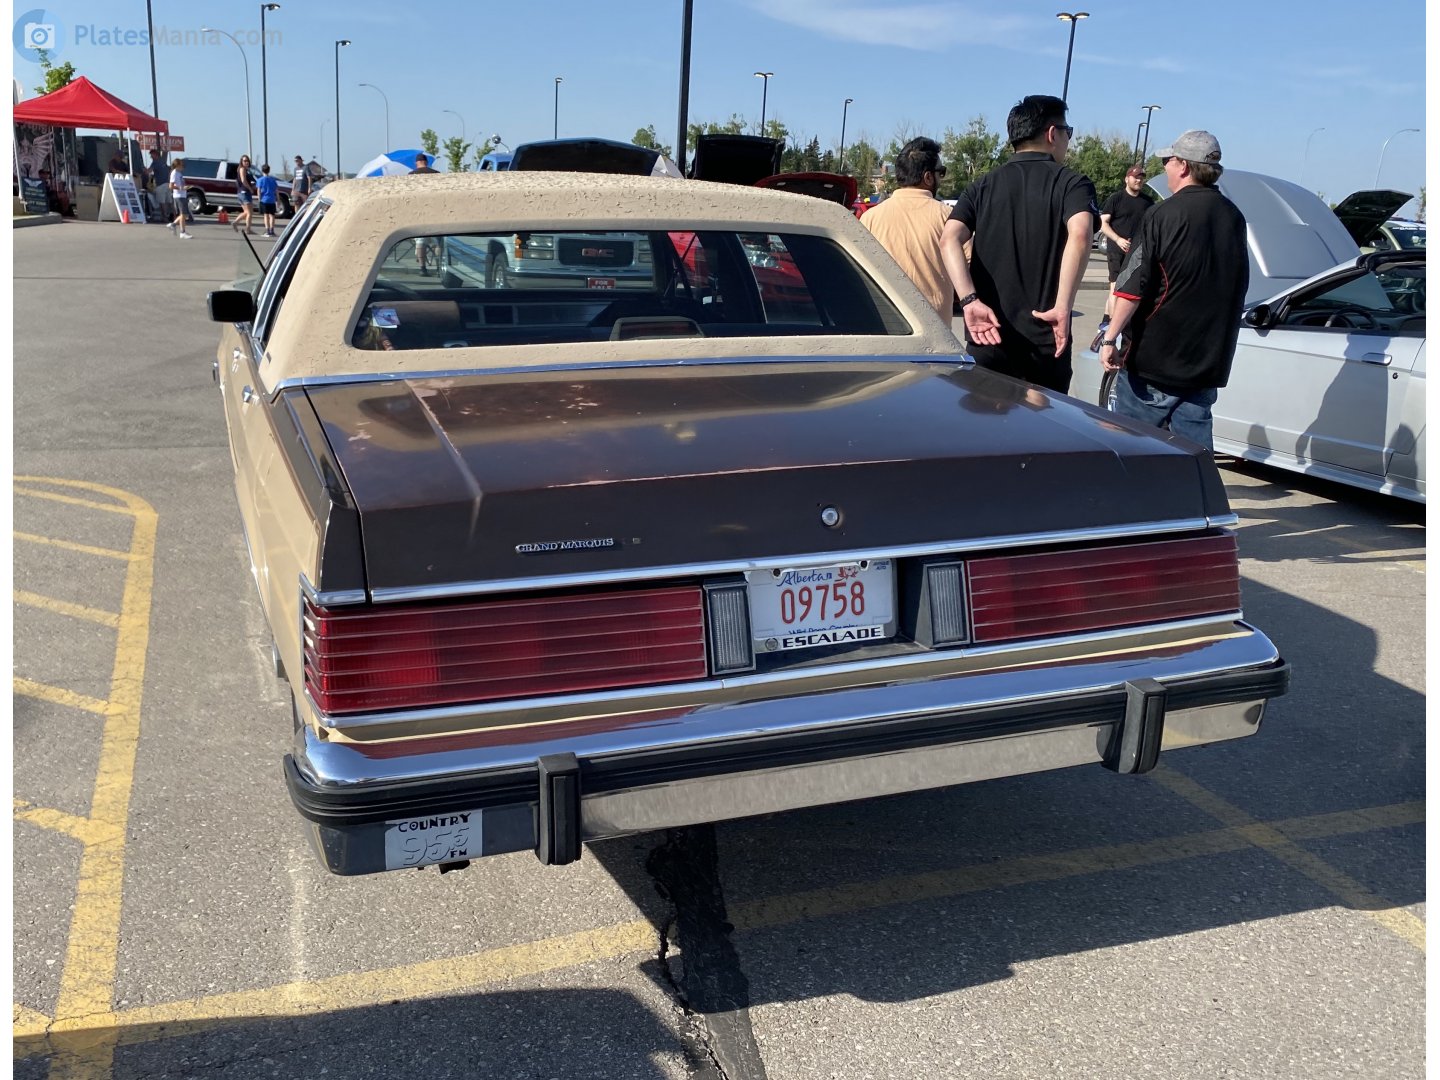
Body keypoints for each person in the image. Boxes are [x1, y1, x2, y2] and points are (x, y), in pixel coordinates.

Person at [1099, 131, 1248, 452]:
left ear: (1184, 166)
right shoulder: (1234, 217)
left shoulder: (1161, 215)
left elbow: (1132, 287)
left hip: (1155, 363)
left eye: (1168, 160)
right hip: (1206, 363)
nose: (1164, 167)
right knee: (1192, 457)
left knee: (1129, 449)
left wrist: (1110, 338)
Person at [940, 94, 1097, 394]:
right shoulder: (1072, 184)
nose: (1068, 140)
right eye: (1068, 132)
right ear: (1052, 134)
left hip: (988, 336)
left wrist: (969, 300)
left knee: (985, 420)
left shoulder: (982, 185)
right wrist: (1062, 306)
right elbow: (1080, 234)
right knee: (1044, 422)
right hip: (1045, 339)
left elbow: (949, 238)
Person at [859, 137, 954, 319]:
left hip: (885, 321)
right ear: (928, 177)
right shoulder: (947, 217)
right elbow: (971, 265)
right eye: (940, 172)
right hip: (934, 325)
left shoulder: (869, 218)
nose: (941, 178)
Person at [1098, 163, 1156, 329]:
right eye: (1135, 177)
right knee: (1116, 287)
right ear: (1126, 179)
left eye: (1141, 178)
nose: (1138, 180)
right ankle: (1111, 326)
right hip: (1116, 249)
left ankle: (1108, 321)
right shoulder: (1116, 198)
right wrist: (1118, 239)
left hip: (1136, 252)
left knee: (1129, 289)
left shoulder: (1148, 202)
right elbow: (1103, 223)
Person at [411, 153, 440, 272]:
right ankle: (439, 266)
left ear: (416, 163)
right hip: (435, 212)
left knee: (420, 241)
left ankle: (422, 268)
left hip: (419, 212)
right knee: (438, 242)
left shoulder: (411, 175)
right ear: (426, 162)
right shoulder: (436, 174)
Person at [167, 157, 192, 238]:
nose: (183, 167)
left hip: (182, 195)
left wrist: (185, 187)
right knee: (183, 214)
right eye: (181, 165)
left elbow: (180, 184)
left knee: (184, 214)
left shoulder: (179, 173)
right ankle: (182, 232)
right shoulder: (174, 173)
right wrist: (181, 188)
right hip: (179, 196)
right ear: (177, 165)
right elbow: (170, 186)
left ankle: (173, 224)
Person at [233, 155, 257, 234]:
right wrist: (250, 188)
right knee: (249, 212)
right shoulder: (242, 169)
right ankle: (247, 229)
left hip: (242, 193)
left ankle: (237, 223)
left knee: (247, 212)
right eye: (244, 161)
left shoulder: (246, 170)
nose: (246, 162)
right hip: (244, 192)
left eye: (247, 161)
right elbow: (243, 180)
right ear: (241, 162)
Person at [255, 163, 280, 237]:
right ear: (269, 171)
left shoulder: (260, 180)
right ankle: (272, 230)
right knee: (272, 215)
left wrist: (259, 198)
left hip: (264, 200)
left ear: (262, 170)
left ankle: (267, 230)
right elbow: (276, 191)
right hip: (272, 199)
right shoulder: (273, 180)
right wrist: (278, 200)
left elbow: (259, 190)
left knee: (266, 215)